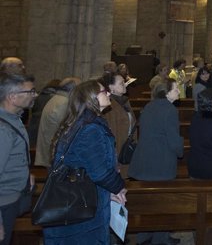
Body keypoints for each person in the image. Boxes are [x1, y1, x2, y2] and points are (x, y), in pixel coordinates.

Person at [42, 80, 127, 245]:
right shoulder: (90, 129)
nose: (109, 93)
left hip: (85, 199)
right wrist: (119, 187)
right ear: (91, 98)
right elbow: (100, 172)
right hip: (80, 209)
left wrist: (108, 193)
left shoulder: (85, 123)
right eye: (104, 91)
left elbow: (87, 167)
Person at [127, 79, 184, 245]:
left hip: (144, 159)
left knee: (147, 202)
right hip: (161, 162)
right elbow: (173, 139)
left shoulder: (149, 106)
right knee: (162, 203)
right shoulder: (170, 109)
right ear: (166, 92)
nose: (178, 92)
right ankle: (160, 239)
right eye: (175, 89)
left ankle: (144, 237)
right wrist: (180, 150)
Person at [0, 73, 36, 245]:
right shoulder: (2, 129)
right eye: (30, 92)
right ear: (13, 97)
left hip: (11, 199)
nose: (34, 95)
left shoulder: (14, 118)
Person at [34, 77, 81, 167]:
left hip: (51, 151)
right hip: (55, 154)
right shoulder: (64, 103)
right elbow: (67, 131)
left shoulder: (57, 99)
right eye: (80, 89)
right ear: (73, 90)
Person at [100, 72, 136, 178]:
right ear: (111, 87)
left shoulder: (125, 102)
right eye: (121, 83)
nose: (125, 85)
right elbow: (111, 133)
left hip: (127, 148)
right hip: (117, 151)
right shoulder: (109, 106)